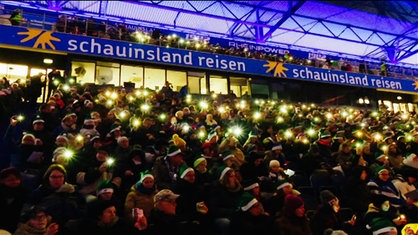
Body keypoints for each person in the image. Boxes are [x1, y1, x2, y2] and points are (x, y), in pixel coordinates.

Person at [0, 167, 28, 233]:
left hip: (16, 225)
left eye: (17, 179)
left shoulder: (23, 192)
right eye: (10, 180)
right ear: (2, 180)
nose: (15, 182)